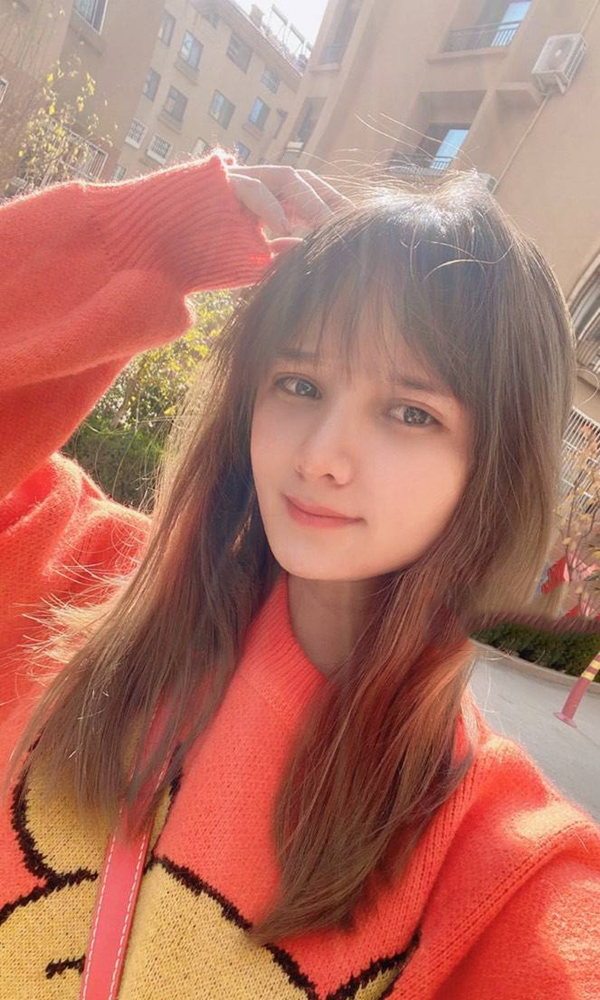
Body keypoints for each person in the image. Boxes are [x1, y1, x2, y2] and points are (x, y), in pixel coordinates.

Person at [0, 147, 598, 999]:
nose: (320, 456)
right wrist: (142, 245)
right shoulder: (83, 578)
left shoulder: (493, 863)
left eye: (410, 412)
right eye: (301, 384)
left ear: (494, 467)